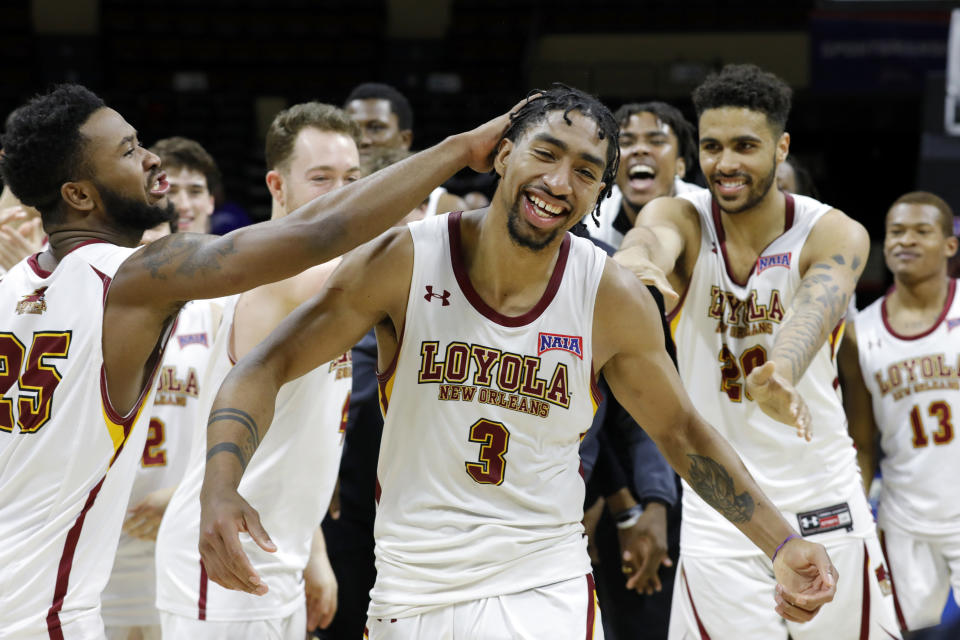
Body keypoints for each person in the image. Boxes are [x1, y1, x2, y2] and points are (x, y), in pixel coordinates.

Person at [198, 86, 838, 639]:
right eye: (546, 154)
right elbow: (267, 363)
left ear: (599, 193)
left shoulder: (607, 294)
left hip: (543, 583)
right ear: (502, 154)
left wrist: (781, 542)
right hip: (410, 588)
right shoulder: (408, 259)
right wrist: (223, 484)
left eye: (587, 171)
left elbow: (680, 431)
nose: (560, 183)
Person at [0, 83, 514, 639]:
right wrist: (461, 150)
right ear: (79, 195)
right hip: (42, 615)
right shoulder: (129, 278)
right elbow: (315, 234)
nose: (151, 159)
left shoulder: (14, 286)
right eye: (128, 151)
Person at [614, 64, 900, 639]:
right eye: (713, 146)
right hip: (720, 506)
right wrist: (634, 266)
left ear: (781, 146)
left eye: (746, 146)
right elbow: (650, 239)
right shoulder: (680, 219)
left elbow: (814, 309)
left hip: (820, 497)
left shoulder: (834, 231)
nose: (726, 163)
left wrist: (781, 371)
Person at [155, 102, 363, 639]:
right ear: (277, 185)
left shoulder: (321, 275)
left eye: (353, 179)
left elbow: (297, 435)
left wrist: (314, 550)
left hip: (278, 555)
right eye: (322, 178)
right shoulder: (288, 274)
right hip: (224, 565)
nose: (342, 193)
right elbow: (398, 264)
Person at [100, 138, 224, 640]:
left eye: (162, 240)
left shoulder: (215, 309)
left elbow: (250, 419)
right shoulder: (93, 311)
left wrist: (184, 493)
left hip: (183, 529)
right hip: (103, 536)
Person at [838, 191, 960, 632]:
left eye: (921, 231)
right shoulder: (859, 334)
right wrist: (856, 521)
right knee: (906, 632)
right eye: (895, 232)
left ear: (950, 244)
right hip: (905, 516)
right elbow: (863, 440)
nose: (905, 241)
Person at [589, 101, 702, 249]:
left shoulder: (708, 213)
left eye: (657, 141)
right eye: (626, 142)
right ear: (612, 168)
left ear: (680, 166)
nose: (640, 149)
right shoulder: (595, 224)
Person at [345, 82, 467, 216]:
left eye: (376, 128)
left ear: (404, 140)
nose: (362, 140)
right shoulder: (325, 196)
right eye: (352, 129)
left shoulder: (445, 207)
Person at [150, 136, 219, 233]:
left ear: (211, 203)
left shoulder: (236, 248)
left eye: (195, 192)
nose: (184, 206)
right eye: (169, 191)